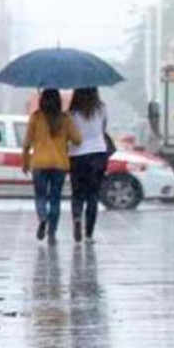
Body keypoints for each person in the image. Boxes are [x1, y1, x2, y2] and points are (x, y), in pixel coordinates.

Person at [22, 89, 82, 244]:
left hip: (39, 163)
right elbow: (78, 140)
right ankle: (52, 232)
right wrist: (65, 139)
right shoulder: (65, 119)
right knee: (55, 199)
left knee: (40, 196)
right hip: (59, 164)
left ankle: (43, 218)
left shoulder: (36, 118)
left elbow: (27, 143)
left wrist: (25, 163)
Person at [68, 87, 109, 243]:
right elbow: (104, 128)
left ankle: (77, 218)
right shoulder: (101, 108)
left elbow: (70, 135)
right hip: (98, 153)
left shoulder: (72, 113)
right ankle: (89, 234)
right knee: (93, 195)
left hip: (77, 155)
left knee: (77, 193)